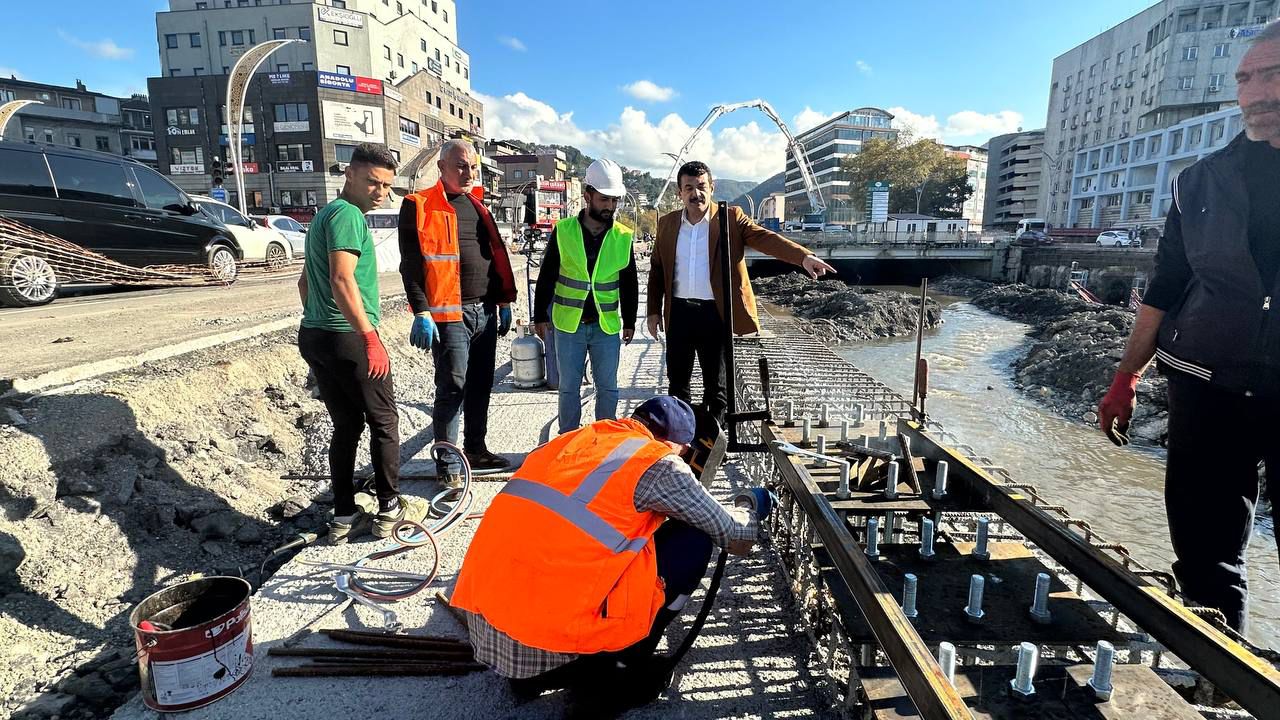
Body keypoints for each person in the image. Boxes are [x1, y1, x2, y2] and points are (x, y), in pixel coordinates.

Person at [1098, 23, 1280, 632]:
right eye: (1246, 78)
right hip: (1206, 381)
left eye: (1272, 74)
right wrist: (1125, 379)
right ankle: (1216, 670)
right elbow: (1166, 288)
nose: (1256, 92)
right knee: (1205, 547)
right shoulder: (1198, 182)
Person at [450, 395, 771, 716]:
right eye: (684, 453)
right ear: (675, 445)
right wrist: (748, 505)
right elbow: (734, 536)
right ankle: (617, 668)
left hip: (492, 628)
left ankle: (532, 676)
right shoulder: (658, 462)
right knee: (694, 538)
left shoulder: (574, 439)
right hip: (552, 641)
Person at [296, 143, 427, 544]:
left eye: (387, 186)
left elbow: (305, 284)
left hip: (316, 334)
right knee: (385, 421)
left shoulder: (324, 216)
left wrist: (325, 328)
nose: (381, 193)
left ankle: (343, 513)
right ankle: (389, 507)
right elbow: (341, 278)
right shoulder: (349, 216)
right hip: (348, 336)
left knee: (347, 425)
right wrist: (367, 337)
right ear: (349, 175)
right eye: (373, 182)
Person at [646, 160, 836, 424]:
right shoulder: (666, 224)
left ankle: (714, 444)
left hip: (715, 314)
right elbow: (656, 270)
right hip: (678, 314)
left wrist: (803, 257)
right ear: (679, 193)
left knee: (717, 388)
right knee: (677, 386)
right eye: (688, 188)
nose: (695, 193)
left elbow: (766, 238)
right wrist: (654, 310)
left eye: (701, 186)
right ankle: (681, 441)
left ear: (712, 187)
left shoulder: (729, 218)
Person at [399, 139, 518, 484]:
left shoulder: (478, 206)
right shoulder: (418, 205)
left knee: (481, 384)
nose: (469, 173)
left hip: (484, 310)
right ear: (442, 168)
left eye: (473, 167)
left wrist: (503, 302)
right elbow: (411, 265)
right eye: (461, 166)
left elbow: (492, 257)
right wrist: (421, 311)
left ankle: (476, 450)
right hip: (448, 315)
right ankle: (449, 464)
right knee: (452, 386)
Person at [534, 159, 639, 433]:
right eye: (605, 200)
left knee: (608, 388)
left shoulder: (623, 236)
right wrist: (538, 316)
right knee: (568, 388)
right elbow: (547, 275)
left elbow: (629, 282)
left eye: (615, 200)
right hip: (569, 324)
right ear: (588, 195)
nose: (610, 207)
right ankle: (568, 440)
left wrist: (629, 321)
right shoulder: (564, 230)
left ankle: (604, 442)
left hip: (605, 325)